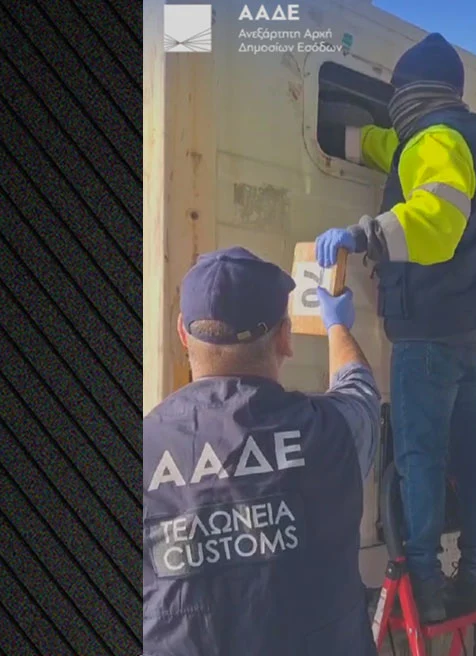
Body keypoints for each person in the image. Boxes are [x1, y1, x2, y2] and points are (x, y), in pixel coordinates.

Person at [314, 32, 476, 623]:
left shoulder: (437, 137)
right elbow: (392, 147)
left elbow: (437, 220)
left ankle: (425, 584)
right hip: (475, 330)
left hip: (432, 333)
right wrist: (347, 134)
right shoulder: (460, 135)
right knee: (468, 452)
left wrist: (363, 234)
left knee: (421, 457)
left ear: (411, 92)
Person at [142, 246, 380, 656]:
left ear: (183, 333)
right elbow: (359, 390)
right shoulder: (329, 433)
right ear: (285, 338)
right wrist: (337, 325)